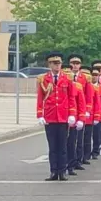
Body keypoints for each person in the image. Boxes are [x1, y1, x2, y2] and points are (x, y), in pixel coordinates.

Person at [36, 52, 77, 181]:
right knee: (52, 147)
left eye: (59, 63)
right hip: (50, 117)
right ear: (49, 64)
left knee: (63, 146)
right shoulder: (43, 79)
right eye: (54, 63)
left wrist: (72, 114)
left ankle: (62, 171)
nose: (57, 66)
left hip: (63, 116)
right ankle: (53, 171)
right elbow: (40, 98)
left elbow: (71, 97)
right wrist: (39, 114)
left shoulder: (68, 79)